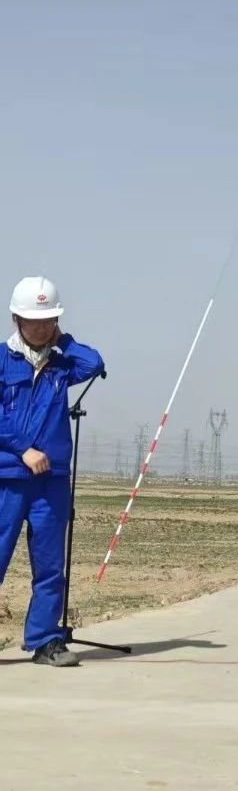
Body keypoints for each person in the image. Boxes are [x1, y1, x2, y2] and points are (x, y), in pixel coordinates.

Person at [0, 277, 105, 667]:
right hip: (8, 478)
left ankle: (45, 640)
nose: (42, 327)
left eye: (49, 320)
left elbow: (95, 363)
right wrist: (23, 450)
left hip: (51, 481)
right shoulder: (1, 360)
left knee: (49, 566)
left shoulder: (62, 362)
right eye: (34, 320)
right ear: (16, 319)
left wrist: (64, 340)